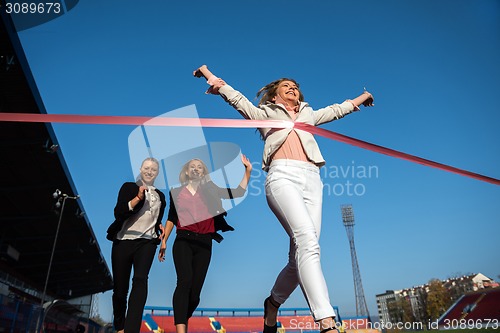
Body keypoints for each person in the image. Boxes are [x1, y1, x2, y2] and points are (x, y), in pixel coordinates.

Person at [193, 65, 374, 333]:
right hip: (282, 176)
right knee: (308, 243)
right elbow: (237, 98)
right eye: (286, 86)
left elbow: (337, 109)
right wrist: (208, 75)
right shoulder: (264, 114)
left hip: (313, 179)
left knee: (299, 255)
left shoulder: (308, 114)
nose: (292, 88)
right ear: (275, 97)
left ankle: (273, 303)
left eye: (295, 86)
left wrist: (363, 97)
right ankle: (326, 321)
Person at [158, 154, 252, 333]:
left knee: (194, 296)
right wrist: (164, 242)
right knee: (184, 282)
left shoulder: (211, 189)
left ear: (203, 172)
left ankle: (182, 320)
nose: (195, 168)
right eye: (192, 166)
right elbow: (171, 218)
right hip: (183, 240)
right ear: (186, 171)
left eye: (199, 166)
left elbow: (237, 192)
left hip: (204, 243)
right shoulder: (176, 191)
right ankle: (181, 330)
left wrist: (247, 171)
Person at [106, 157, 167, 333]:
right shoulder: (129, 187)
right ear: (140, 169)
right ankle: (120, 327)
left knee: (140, 280)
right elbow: (119, 212)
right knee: (120, 291)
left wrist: (160, 231)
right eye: (146, 168)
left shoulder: (160, 196)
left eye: (153, 169)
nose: (149, 172)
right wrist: (138, 197)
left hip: (147, 242)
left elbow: (156, 220)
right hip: (123, 241)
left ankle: (132, 329)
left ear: (157, 173)